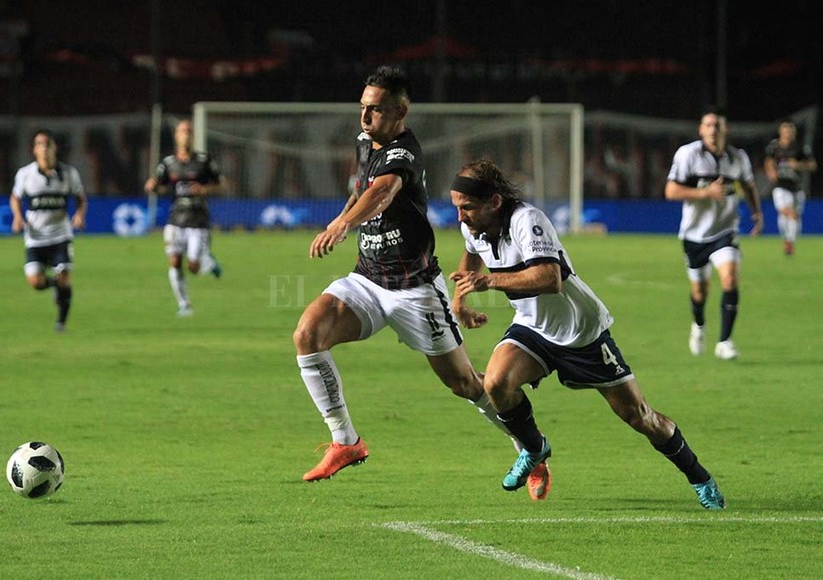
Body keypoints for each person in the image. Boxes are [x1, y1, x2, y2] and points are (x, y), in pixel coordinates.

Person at [292, 65, 550, 498]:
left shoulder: (404, 153)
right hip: (368, 280)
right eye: (362, 107)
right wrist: (343, 216)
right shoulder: (365, 143)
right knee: (307, 334)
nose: (365, 117)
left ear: (400, 112)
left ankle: (531, 449)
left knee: (466, 384)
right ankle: (346, 442)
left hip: (415, 290)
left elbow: (383, 192)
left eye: (374, 110)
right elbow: (362, 189)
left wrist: (341, 227)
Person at [448, 159, 725, 510]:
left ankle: (699, 476)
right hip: (533, 326)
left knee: (640, 416)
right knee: (496, 384)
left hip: (581, 332)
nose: (461, 217)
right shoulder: (473, 226)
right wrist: (460, 303)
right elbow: (470, 258)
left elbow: (549, 279)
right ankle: (535, 448)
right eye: (457, 207)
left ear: (494, 202)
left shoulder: (527, 221)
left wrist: (488, 281)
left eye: (467, 207)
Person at [665, 107, 763, 361]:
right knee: (700, 292)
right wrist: (704, 193)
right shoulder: (688, 154)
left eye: (717, 125)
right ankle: (698, 326)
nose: (713, 130)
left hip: (726, 230)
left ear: (725, 130)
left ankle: (725, 342)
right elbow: (671, 191)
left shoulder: (738, 158)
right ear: (701, 129)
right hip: (694, 235)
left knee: (729, 279)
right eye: (708, 125)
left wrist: (756, 213)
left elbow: (748, 186)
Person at [144, 119, 226, 317]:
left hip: (198, 220)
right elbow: (159, 186)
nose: (186, 135)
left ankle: (208, 262)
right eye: (182, 131)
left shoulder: (204, 161)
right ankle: (184, 305)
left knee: (193, 267)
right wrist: (152, 186)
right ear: (176, 136)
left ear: (193, 136)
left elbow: (222, 184)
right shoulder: (168, 164)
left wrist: (205, 189)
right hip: (175, 220)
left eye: (189, 131)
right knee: (174, 261)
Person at [10, 129, 88, 333]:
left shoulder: (69, 173)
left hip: (61, 235)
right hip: (35, 238)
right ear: (34, 150)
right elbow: (15, 198)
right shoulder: (25, 174)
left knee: (64, 279)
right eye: (40, 144)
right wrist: (18, 217)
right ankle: (55, 287)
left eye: (48, 144)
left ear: (55, 148)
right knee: (35, 282)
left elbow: (81, 198)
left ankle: (61, 323)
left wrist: (80, 215)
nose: (44, 148)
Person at [764, 119, 817, 256]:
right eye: (785, 130)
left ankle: (788, 240)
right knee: (787, 212)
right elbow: (768, 161)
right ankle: (789, 243)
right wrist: (771, 172)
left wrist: (798, 165)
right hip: (780, 186)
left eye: (790, 130)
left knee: (794, 217)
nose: (787, 133)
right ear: (781, 131)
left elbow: (812, 165)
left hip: (797, 187)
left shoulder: (801, 147)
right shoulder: (774, 146)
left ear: (794, 132)